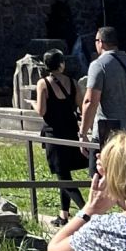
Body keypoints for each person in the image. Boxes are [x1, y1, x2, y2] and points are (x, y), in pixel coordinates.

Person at [81, 26, 126, 170]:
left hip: (108, 134)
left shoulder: (98, 65)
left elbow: (90, 101)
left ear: (100, 42)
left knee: (102, 178)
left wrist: (82, 134)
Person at [34, 48, 86, 221]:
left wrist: (33, 104)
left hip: (54, 133)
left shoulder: (43, 84)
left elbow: (42, 110)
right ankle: (63, 214)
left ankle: (88, 215)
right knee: (64, 173)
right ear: (61, 64)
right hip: (70, 131)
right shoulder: (73, 82)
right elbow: (82, 107)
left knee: (64, 178)